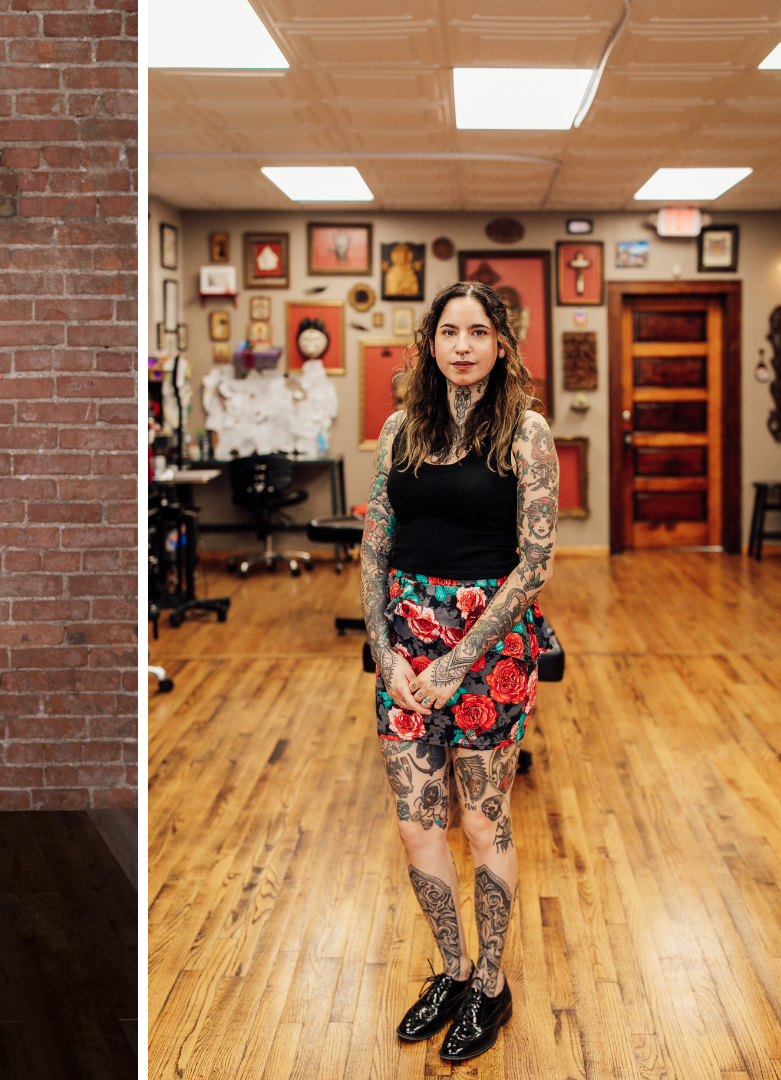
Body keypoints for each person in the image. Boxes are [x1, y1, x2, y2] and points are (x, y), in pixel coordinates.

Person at [360, 279, 556, 1062]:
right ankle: (453, 968)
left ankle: (492, 985)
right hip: (405, 650)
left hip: (488, 650)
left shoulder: (527, 434)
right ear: (430, 343)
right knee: (416, 829)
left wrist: (459, 659)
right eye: (450, 331)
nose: (464, 345)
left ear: (501, 344)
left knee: (481, 821)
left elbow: (535, 562)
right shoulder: (400, 427)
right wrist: (386, 650)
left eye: (480, 331)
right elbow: (376, 544)